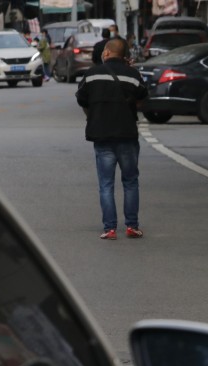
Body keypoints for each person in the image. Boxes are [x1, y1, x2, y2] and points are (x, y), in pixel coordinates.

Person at [76, 37, 148, 240]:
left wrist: (93, 114)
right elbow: (143, 98)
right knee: (130, 181)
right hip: (127, 135)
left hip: (102, 136)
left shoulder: (92, 74)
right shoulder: (133, 75)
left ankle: (110, 229)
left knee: (106, 184)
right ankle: (132, 226)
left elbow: (81, 98)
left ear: (106, 53)